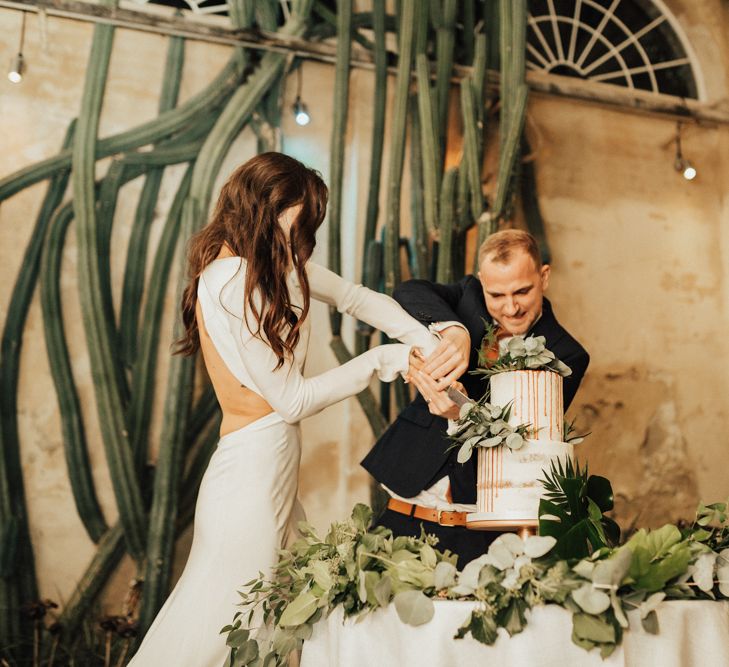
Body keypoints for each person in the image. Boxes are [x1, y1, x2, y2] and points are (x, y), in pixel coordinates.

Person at [128, 152, 438, 666]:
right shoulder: (230, 279)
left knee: (276, 622)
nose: (297, 241)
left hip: (268, 467)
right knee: (220, 627)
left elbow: (356, 298)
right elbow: (290, 400)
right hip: (250, 471)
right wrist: (386, 359)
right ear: (256, 206)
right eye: (292, 222)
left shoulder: (267, 266)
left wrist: (428, 342)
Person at [362, 229, 590, 567]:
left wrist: (463, 415)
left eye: (522, 291)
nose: (510, 307)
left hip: (478, 525)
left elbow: (522, 442)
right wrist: (455, 330)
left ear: (544, 277)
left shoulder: (567, 356)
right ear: (482, 282)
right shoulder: (467, 296)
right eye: (496, 294)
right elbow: (408, 291)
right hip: (403, 505)